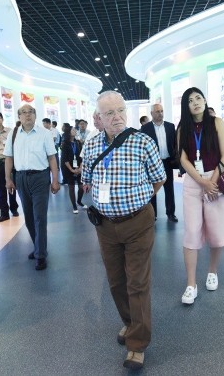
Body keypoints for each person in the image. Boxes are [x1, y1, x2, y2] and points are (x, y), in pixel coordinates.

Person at [81, 91, 166, 370]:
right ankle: (130, 323)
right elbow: (86, 180)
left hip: (138, 222)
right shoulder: (92, 145)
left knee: (137, 282)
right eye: (109, 113)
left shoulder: (143, 142)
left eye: (120, 111)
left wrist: (138, 201)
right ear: (99, 118)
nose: (117, 117)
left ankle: (137, 344)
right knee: (116, 281)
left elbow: (159, 179)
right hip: (105, 226)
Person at [176, 87, 224, 305]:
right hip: (194, 182)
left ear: (204, 101)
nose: (195, 102)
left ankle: (212, 271)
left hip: (215, 180)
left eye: (198, 98)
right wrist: (202, 182)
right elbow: (183, 158)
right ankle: (191, 284)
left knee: (216, 230)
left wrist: (212, 181)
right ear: (186, 106)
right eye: (190, 100)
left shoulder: (216, 123)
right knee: (191, 232)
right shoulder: (183, 127)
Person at [4, 105, 60, 270]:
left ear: (35, 116)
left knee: (40, 217)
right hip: (21, 178)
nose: (27, 115)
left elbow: (52, 158)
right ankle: (38, 246)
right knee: (28, 217)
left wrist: (55, 179)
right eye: (24, 113)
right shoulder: (13, 134)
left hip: (40, 178)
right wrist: (8, 179)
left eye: (31, 112)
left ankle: (40, 254)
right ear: (19, 117)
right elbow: (8, 158)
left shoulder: (44, 133)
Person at [141, 103, 178, 222]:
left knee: (169, 188)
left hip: (167, 162)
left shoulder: (170, 126)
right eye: (157, 111)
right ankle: (153, 215)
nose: (160, 113)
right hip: (153, 164)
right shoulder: (145, 128)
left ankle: (171, 213)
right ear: (151, 113)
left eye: (161, 111)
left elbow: (175, 144)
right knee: (153, 189)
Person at [60, 124, 85, 213]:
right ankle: (74, 206)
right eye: (73, 130)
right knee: (71, 187)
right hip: (69, 168)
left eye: (75, 130)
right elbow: (65, 159)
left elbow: (82, 156)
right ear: (69, 132)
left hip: (78, 167)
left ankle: (79, 201)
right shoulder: (65, 144)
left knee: (81, 187)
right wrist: (72, 170)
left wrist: (80, 168)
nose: (75, 131)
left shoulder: (77, 143)